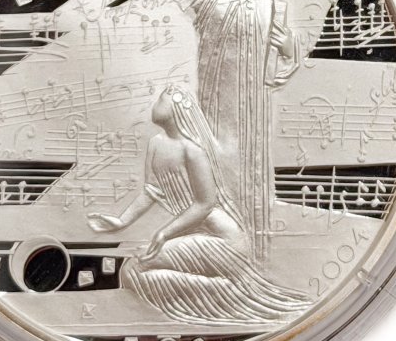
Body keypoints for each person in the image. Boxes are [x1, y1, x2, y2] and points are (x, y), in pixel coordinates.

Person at [87, 87, 309, 326]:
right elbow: (152, 190)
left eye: (161, 99)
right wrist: (121, 221)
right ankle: (224, 290)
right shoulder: (155, 144)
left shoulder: (192, 151)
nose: (154, 103)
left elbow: (205, 204)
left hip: (223, 240)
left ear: (176, 108)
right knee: (132, 269)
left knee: (133, 269)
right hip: (195, 235)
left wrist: (164, 234)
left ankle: (229, 292)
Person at [164, 0, 303, 259]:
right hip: (214, 102)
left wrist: (289, 48)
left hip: (250, 107)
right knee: (212, 167)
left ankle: (246, 244)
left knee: (246, 169)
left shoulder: (269, 7)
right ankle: (217, 236)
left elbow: (285, 60)